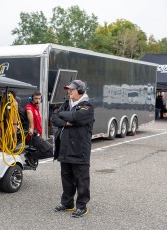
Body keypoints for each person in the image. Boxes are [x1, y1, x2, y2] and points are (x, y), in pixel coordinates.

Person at [51, 80, 95, 218]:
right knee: (66, 178)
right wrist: (67, 122)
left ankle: (82, 206)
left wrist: (65, 117)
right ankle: (67, 203)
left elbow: (76, 117)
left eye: (72, 89)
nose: (69, 91)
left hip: (79, 150)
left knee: (81, 180)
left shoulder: (88, 106)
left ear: (80, 91)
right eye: (68, 89)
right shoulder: (66, 104)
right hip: (65, 148)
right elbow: (54, 117)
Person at [24, 91, 53, 164]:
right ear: (31, 99)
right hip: (33, 137)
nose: (38, 101)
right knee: (52, 151)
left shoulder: (37, 108)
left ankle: (32, 156)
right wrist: (31, 127)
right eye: (35, 98)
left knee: (47, 149)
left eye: (39, 99)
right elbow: (29, 112)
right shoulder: (29, 107)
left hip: (37, 136)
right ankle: (30, 155)